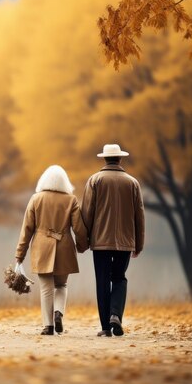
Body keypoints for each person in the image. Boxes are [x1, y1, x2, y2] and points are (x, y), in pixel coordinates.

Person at [15, 165, 89, 335]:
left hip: (42, 248)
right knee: (61, 285)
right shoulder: (71, 200)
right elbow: (79, 228)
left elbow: (26, 229)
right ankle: (58, 312)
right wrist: (82, 246)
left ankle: (48, 326)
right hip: (65, 247)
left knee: (46, 288)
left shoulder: (36, 199)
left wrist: (20, 255)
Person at [81, 144, 145, 337]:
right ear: (120, 159)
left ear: (104, 159)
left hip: (100, 241)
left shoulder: (95, 181)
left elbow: (86, 213)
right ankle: (115, 314)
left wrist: (84, 240)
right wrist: (138, 243)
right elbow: (139, 215)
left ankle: (105, 327)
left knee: (102, 280)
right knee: (119, 277)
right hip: (125, 241)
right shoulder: (132, 183)